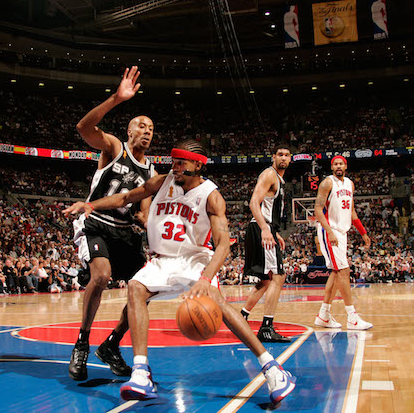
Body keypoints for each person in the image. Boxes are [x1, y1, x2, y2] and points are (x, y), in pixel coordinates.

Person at [66, 140, 296, 406]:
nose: (174, 167)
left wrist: (205, 278)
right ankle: (141, 372)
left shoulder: (211, 195)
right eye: (173, 162)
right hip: (164, 259)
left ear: (197, 165)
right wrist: (91, 205)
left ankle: (272, 369)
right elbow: (127, 197)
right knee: (136, 288)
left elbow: (222, 244)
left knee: (218, 303)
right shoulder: (162, 182)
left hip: (195, 258)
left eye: (180, 163)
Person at [66, 66, 156, 381]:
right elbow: (83, 127)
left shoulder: (151, 171)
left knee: (144, 290)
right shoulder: (114, 148)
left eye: (151, 128)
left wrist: (149, 226)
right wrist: (116, 99)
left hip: (125, 233)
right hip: (96, 222)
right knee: (102, 275)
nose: (146, 130)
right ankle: (82, 343)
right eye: (141, 125)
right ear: (129, 131)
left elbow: (143, 213)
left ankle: (113, 344)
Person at [313, 156, 373, 331]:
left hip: (342, 232)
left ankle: (323, 315)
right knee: (343, 271)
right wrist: (330, 231)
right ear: (332, 167)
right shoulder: (327, 183)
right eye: (335, 164)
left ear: (346, 166)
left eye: (341, 163)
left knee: (335, 272)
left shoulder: (350, 184)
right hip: (329, 230)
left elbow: (352, 211)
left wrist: (363, 232)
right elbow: (317, 209)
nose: (338, 166)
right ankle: (352, 317)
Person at [240, 147, 293, 343]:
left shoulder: (279, 180)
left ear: (290, 160)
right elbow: (254, 202)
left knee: (266, 280)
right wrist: (265, 228)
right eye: (280, 154)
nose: (283, 158)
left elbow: (267, 208)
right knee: (278, 277)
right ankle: (267, 328)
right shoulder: (270, 174)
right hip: (260, 228)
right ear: (273, 158)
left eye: (287, 155)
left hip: (264, 227)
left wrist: (274, 231)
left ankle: (242, 315)